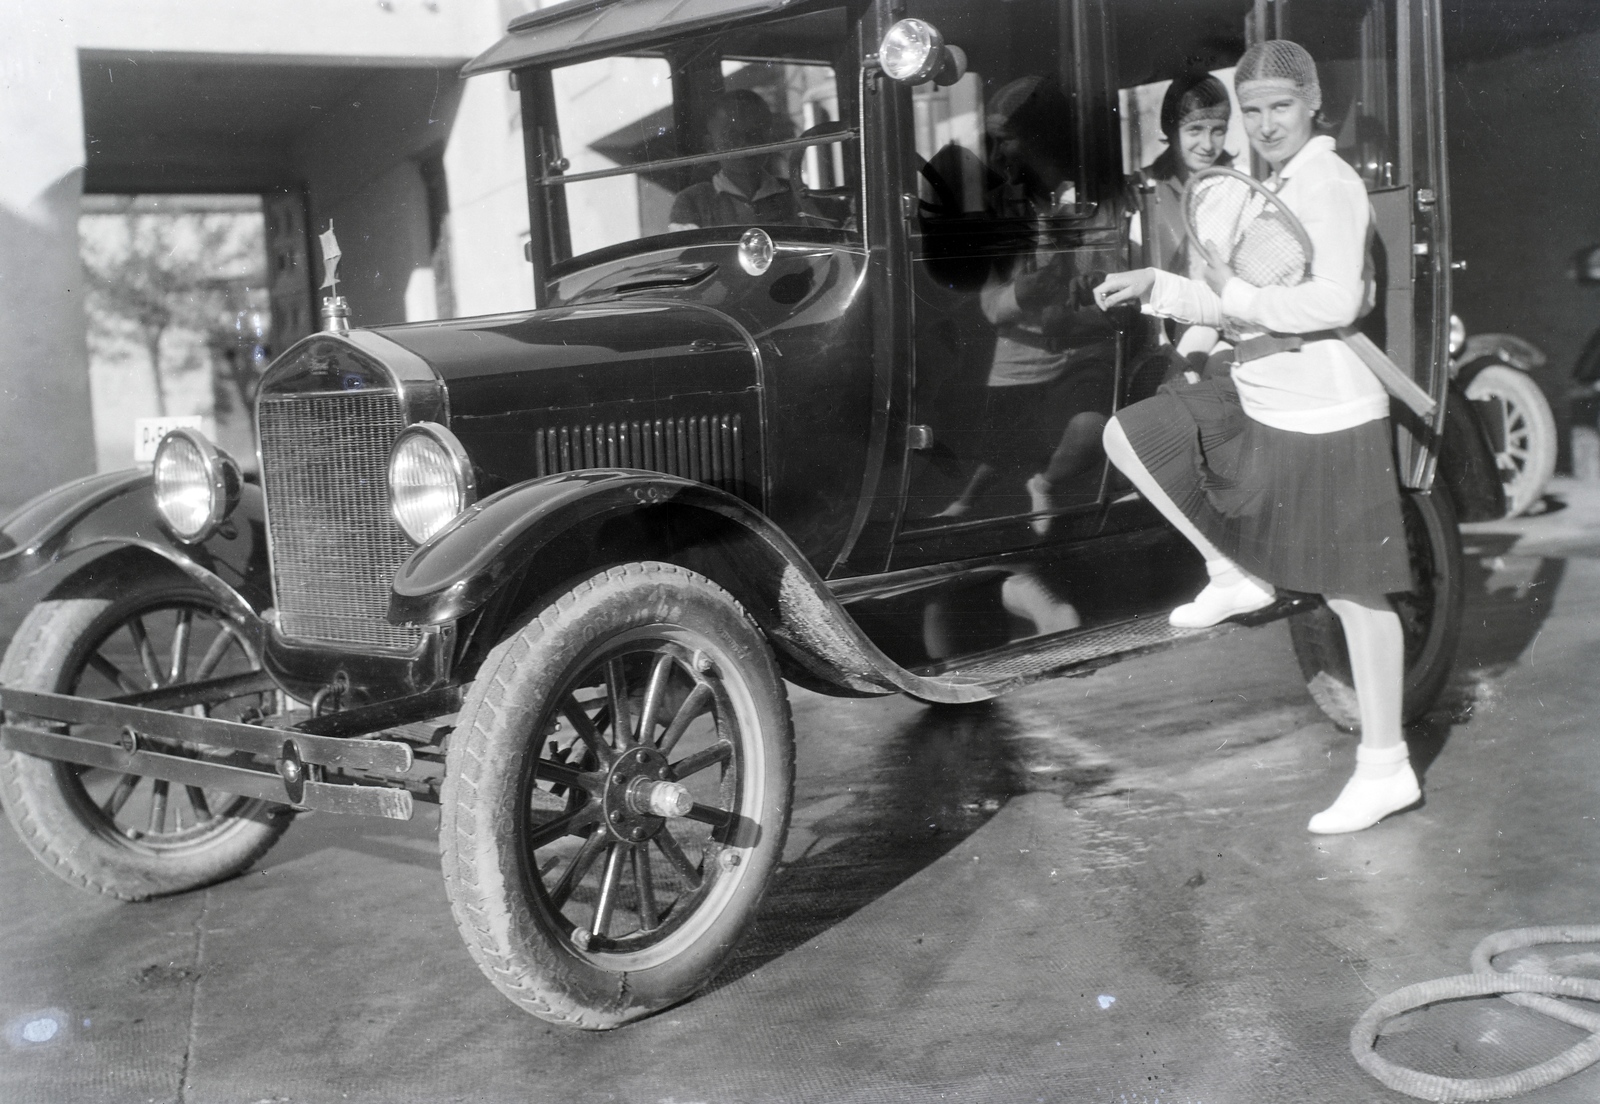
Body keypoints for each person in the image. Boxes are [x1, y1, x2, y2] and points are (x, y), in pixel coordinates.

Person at [1094, 41, 1417, 835]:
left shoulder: (1329, 182)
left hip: (1327, 406)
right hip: (1265, 395)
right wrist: (1158, 287)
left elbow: (1337, 298)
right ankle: (1233, 568)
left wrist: (1233, 296)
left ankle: (1387, 767)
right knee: (1136, 433)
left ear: (1312, 108)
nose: (1267, 123)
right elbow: (1225, 301)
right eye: (1256, 110)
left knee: (1353, 593)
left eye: (1282, 107)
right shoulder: (1267, 185)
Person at [937, 76, 1117, 532]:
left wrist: (1086, 297)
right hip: (1024, 363)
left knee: (1080, 428)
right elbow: (993, 306)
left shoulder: (1095, 198)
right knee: (1005, 450)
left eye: (1007, 142)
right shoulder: (1003, 213)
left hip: (1084, 357)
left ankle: (1041, 487)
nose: (997, 157)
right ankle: (970, 504)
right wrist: (1027, 294)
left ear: (1039, 139)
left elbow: (1117, 281)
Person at [1136, 73, 1233, 376]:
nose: (1207, 144)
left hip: (1221, 321)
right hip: (1160, 326)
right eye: (1194, 130)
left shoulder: (1235, 183)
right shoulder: (1145, 187)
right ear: (1171, 128)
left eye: (1218, 130)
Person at [668, 90, 800, 231]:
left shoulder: (794, 194)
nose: (745, 144)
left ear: (770, 139)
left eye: (754, 134)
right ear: (711, 145)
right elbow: (691, 252)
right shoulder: (693, 201)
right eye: (732, 136)